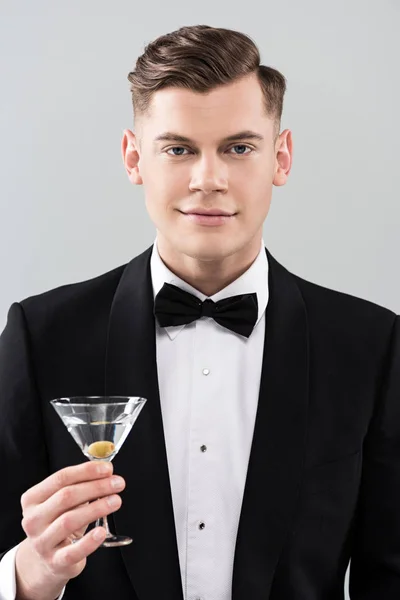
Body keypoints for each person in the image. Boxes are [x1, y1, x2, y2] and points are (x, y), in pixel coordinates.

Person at [0, 23, 399, 600]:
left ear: (280, 158)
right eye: (178, 149)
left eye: (239, 148)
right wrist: (27, 576)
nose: (208, 179)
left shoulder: (372, 345)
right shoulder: (42, 338)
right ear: (135, 158)